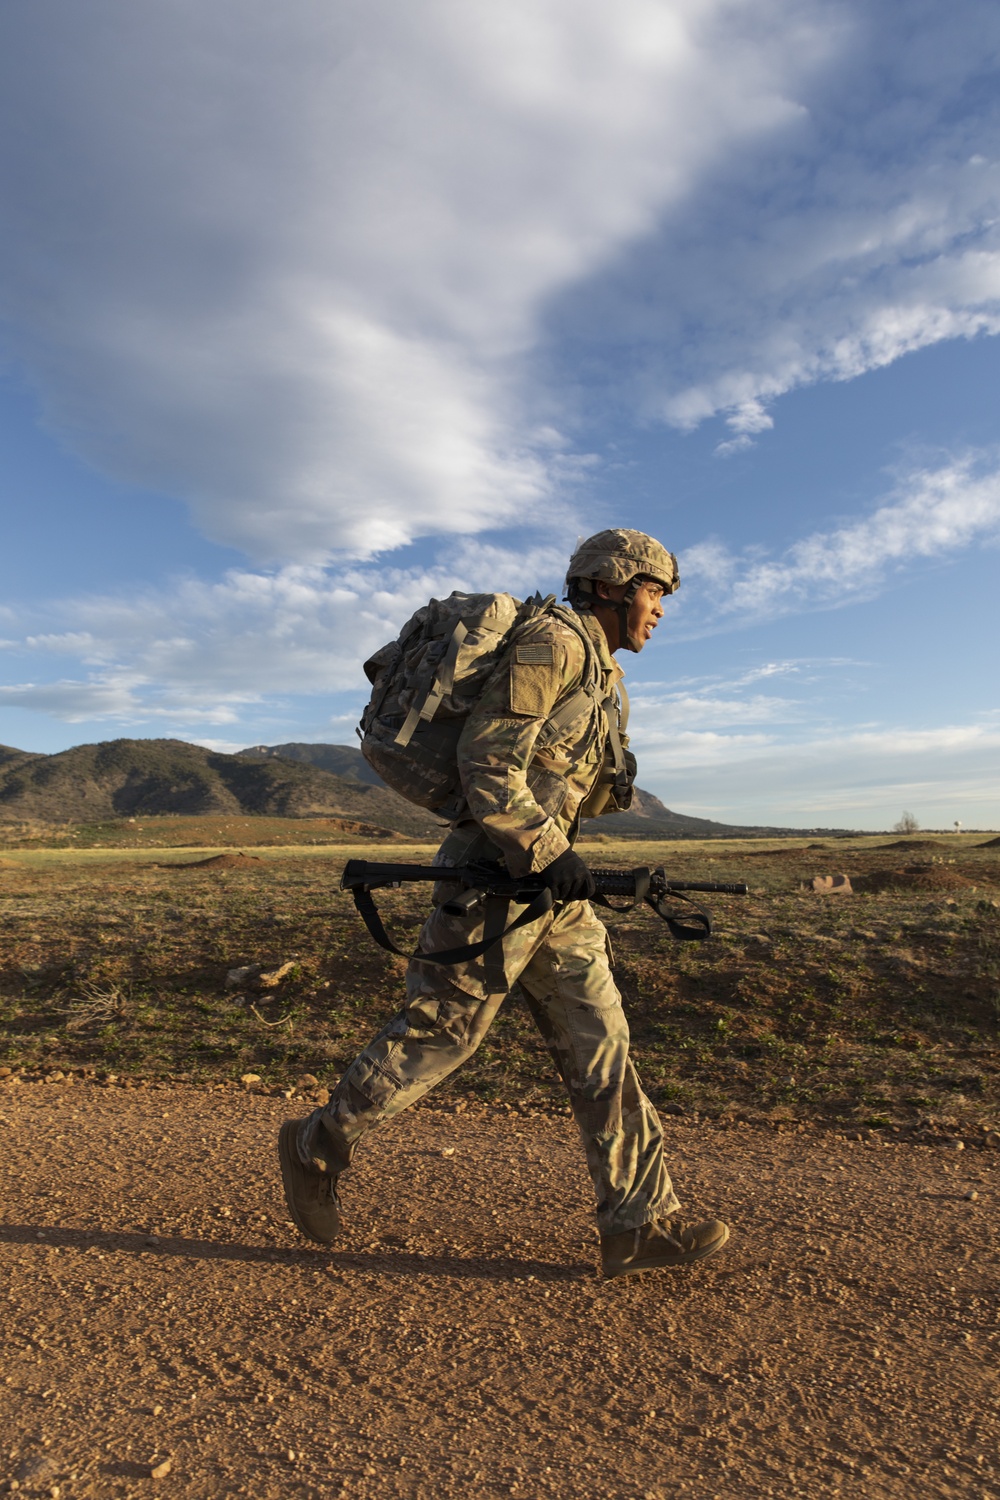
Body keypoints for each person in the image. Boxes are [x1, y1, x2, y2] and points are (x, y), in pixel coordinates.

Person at [279, 529, 729, 1277]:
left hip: (552, 888)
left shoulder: (607, 677)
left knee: (602, 1043)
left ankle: (640, 1220)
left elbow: (566, 781)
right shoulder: (554, 644)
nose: (660, 609)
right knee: (442, 1033)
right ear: (614, 585)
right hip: (493, 874)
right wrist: (552, 854)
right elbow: (485, 760)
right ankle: (314, 1143)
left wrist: (579, 848)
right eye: (654, 591)